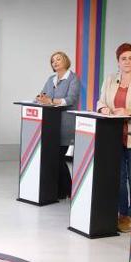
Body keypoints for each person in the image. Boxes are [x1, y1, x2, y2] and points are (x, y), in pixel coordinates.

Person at [96, 43, 131, 233]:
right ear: (118, 61)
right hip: (113, 137)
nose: (127, 61)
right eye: (123, 58)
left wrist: (129, 111)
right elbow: (101, 101)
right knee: (119, 179)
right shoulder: (110, 79)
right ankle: (122, 213)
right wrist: (103, 108)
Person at [35, 51, 81, 199]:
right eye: (53, 61)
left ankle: (69, 190)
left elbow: (71, 99)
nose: (55, 62)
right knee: (54, 158)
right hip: (50, 124)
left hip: (66, 125)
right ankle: (61, 191)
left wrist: (51, 101)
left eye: (58, 59)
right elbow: (42, 95)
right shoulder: (51, 79)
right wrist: (39, 98)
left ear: (66, 61)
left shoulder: (73, 79)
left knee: (59, 158)